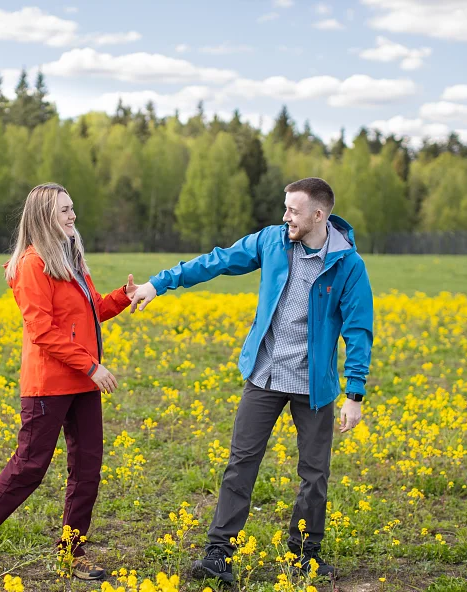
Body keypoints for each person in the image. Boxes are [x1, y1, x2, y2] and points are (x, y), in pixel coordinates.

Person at [129, 177, 373, 583]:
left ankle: (304, 554)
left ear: (318, 214)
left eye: (293, 211)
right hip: (265, 374)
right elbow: (217, 261)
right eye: (285, 208)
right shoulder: (272, 241)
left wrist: (355, 392)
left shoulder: (348, 264)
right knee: (240, 464)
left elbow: (359, 328)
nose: (285, 217)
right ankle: (218, 553)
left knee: (315, 473)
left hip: (314, 387)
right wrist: (160, 283)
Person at [0, 183, 137, 581]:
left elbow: (88, 315)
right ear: (42, 217)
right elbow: (43, 331)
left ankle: (72, 552)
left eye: (72, 209)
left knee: (87, 469)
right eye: (63, 211)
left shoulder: (70, 260)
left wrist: (123, 296)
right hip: (48, 384)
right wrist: (91, 367)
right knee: (29, 467)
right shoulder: (33, 264)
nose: (72, 216)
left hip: (82, 385)